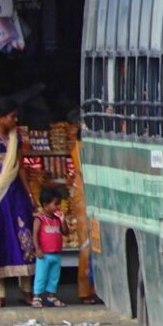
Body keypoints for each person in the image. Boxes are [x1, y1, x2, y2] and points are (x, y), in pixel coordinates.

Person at [0, 97, 35, 306]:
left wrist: (29, 193)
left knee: (22, 238)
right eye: (12, 116)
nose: (15, 120)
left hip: (15, 195)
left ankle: (26, 291)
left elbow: (21, 167)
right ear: (1, 117)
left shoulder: (16, 138)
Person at [68, 116, 101, 304]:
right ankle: (86, 291)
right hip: (85, 201)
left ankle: (92, 289)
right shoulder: (82, 150)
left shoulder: (80, 148)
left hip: (87, 200)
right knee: (88, 248)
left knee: (90, 248)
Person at [31, 187, 68, 308]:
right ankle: (37, 296)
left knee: (54, 277)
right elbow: (35, 234)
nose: (58, 207)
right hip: (44, 254)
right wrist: (37, 249)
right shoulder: (39, 219)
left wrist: (63, 221)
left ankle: (51, 296)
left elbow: (65, 232)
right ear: (46, 205)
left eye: (59, 204)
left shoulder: (57, 219)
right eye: (55, 204)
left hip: (56, 253)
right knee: (41, 275)